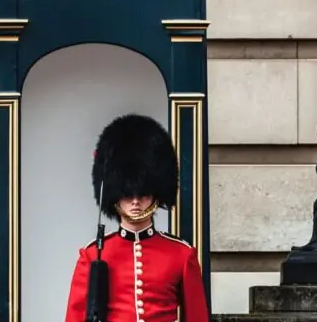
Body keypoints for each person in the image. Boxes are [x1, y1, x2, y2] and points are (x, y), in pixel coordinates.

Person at [64, 114, 210, 322]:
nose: (135, 202)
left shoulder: (182, 255)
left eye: (143, 194)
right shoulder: (93, 255)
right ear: (116, 196)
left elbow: (197, 317)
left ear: (155, 195)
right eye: (127, 194)